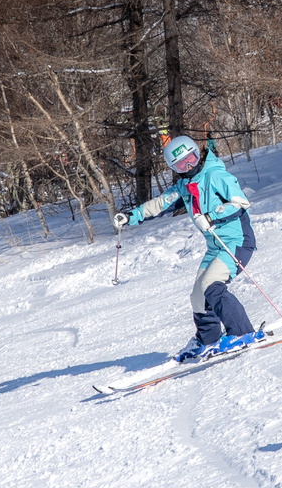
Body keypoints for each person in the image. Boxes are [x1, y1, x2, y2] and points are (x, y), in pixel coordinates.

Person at [113, 136, 263, 362]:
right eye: (181, 165)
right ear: (175, 169)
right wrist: (131, 216)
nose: (189, 166)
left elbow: (241, 203)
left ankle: (242, 333)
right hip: (215, 246)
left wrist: (212, 217)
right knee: (198, 296)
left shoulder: (215, 175)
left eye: (191, 159)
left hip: (237, 241)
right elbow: (160, 204)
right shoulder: (185, 186)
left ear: (198, 153)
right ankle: (208, 339)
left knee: (211, 285)